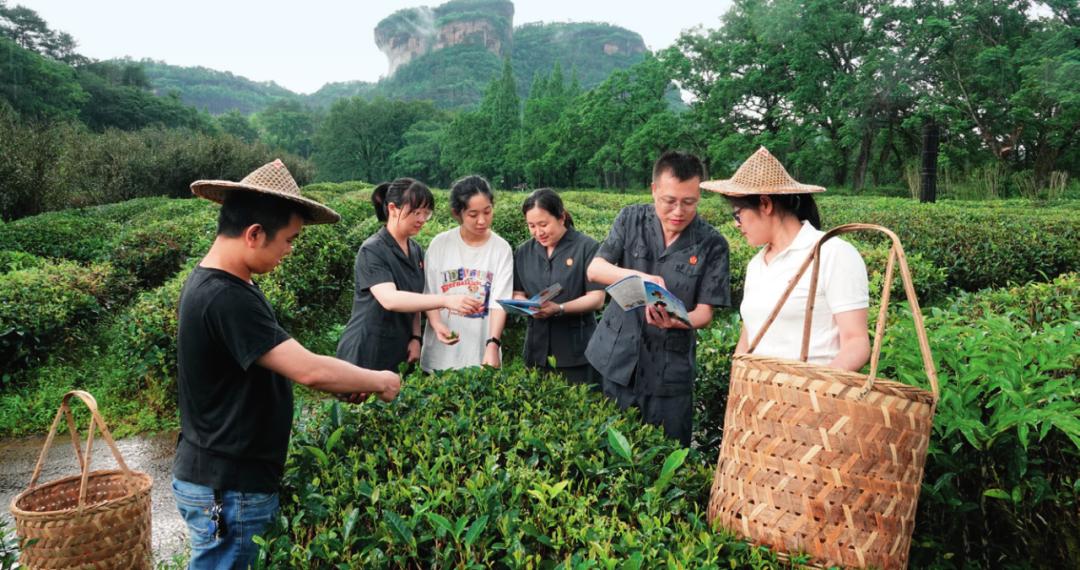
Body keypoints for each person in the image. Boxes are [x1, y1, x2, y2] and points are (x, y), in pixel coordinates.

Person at [175, 160, 401, 570]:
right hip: (228, 485)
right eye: (289, 239)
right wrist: (381, 380)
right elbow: (308, 369)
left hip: (225, 477)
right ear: (254, 234)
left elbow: (273, 364)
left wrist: (344, 383)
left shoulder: (230, 284)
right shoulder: (225, 297)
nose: (290, 250)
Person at [584, 151, 731, 446]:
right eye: (669, 201)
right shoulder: (630, 218)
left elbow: (705, 313)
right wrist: (637, 278)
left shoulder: (712, 244)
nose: (678, 211)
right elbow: (595, 269)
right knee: (608, 455)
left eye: (689, 202)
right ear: (654, 190)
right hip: (616, 359)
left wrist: (680, 321)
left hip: (669, 372)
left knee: (667, 456)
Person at [701, 147, 870, 370]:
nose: (736, 223)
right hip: (761, 399)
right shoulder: (756, 265)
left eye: (737, 213)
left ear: (765, 204)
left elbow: (856, 342)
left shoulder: (832, 253)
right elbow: (749, 336)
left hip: (813, 399)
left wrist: (810, 390)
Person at [336, 178, 483, 372]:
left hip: (400, 346)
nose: (422, 219)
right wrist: (446, 301)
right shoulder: (372, 250)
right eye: (416, 212)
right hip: (367, 347)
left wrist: (416, 336)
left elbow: (417, 296)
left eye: (426, 213)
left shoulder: (415, 250)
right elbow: (390, 299)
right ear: (393, 208)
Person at [420, 175, 513, 371]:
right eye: (473, 215)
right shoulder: (440, 244)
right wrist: (437, 325)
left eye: (487, 212)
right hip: (440, 354)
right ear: (457, 213)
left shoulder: (501, 248)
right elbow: (429, 293)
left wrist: (493, 343)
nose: (482, 220)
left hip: (482, 352)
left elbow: (499, 301)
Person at [512, 188, 605, 384]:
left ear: (561, 217)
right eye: (531, 226)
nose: (538, 232)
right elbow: (517, 293)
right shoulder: (523, 251)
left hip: (577, 351)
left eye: (543, 224)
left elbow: (597, 298)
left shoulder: (587, 247)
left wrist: (560, 308)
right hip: (536, 350)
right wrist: (526, 306)